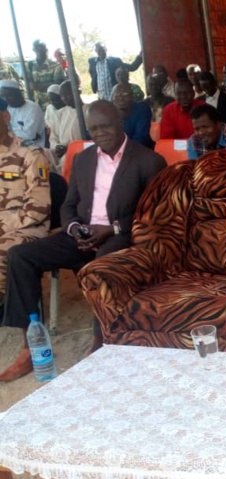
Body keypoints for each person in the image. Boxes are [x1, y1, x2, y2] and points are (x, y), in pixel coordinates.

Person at [0, 100, 167, 381]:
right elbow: (68, 205)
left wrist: (112, 229)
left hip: (122, 236)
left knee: (99, 266)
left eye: (105, 126)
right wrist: (75, 227)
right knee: (20, 255)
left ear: (120, 123)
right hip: (81, 236)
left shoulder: (148, 160)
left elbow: (156, 213)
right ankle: (31, 346)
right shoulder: (83, 160)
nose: (99, 133)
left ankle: (100, 341)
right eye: (93, 129)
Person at [0, 97, 50, 316]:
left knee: (3, 250)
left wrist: (4, 224)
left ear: (5, 116)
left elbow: (39, 206)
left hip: (28, 226)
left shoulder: (30, 153)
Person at [49, 81, 84, 171]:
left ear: (78, 92)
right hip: (60, 153)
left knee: (67, 160)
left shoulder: (88, 111)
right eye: (62, 96)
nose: (64, 98)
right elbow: (53, 136)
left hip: (80, 153)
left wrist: (70, 149)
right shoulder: (61, 113)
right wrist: (56, 146)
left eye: (67, 94)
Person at [0, 80, 46, 148]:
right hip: (16, 145)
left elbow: (29, 135)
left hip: (36, 146)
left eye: (9, 95)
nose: (6, 99)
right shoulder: (8, 109)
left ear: (18, 93)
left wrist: (11, 131)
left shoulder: (33, 109)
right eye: (3, 96)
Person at [27, 40, 66, 111]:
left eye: (42, 47)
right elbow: (29, 85)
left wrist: (36, 86)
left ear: (46, 49)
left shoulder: (55, 65)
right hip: (37, 106)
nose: (40, 50)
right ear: (34, 50)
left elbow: (57, 85)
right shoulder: (30, 66)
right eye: (37, 48)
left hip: (53, 105)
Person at [112, 83, 153, 148]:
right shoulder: (109, 112)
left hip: (140, 150)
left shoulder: (142, 109)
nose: (121, 98)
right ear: (112, 99)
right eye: (117, 95)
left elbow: (141, 138)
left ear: (132, 97)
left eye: (125, 95)